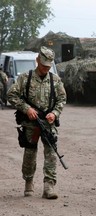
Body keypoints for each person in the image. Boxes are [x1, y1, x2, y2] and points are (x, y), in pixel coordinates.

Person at [7, 46, 67, 199]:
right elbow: (11, 95)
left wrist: (54, 113)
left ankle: (49, 186)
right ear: (37, 61)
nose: (45, 69)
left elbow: (62, 99)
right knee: (30, 154)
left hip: (48, 124)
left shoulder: (55, 80)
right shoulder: (25, 78)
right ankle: (28, 181)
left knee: (51, 154)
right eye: (43, 65)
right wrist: (26, 109)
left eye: (48, 66)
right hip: (30, 125)